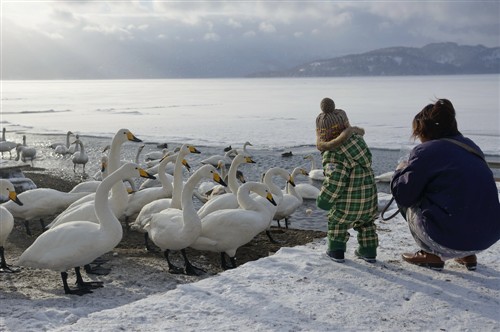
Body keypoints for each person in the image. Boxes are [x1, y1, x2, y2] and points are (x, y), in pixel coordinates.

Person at [390, 98, 500, 271]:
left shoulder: (425, 151)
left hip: (449, 238)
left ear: (424, 131)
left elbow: (404, 194)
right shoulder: (471, 146)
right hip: (486, 237)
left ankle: (431, 253)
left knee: (408, 193)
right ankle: (466, 254)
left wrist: (400, 172)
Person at [316, 97, 379, 263]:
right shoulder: (359, 142)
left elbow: (334, 181)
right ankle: (368, 251)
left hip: (346, 204)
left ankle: (336, 251)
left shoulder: (333, 154)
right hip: (368, 200)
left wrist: (324, 200)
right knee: (367, 225)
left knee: (336, 222)